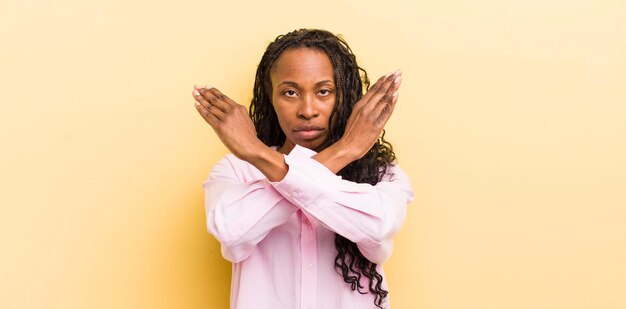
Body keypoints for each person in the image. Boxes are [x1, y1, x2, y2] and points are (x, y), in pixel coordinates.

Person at [192, 29, 414, 309]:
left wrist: (259, 154)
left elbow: (379, 227)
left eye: (323, 91)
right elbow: (231, 232)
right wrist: (344, 150)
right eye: (290, 92)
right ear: (270, 99)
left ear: (343, 97)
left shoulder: (381, 172)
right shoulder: (237, 170)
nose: (307, 110)